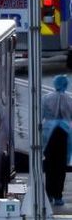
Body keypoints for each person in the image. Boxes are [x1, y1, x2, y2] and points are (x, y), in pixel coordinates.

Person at [41, 74, 72, 206]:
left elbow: (40, 115)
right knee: (61, 166)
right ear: (65, 84)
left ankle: (49, 194)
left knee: (49, 165)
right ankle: (58, 195)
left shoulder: (46, 98)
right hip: (64, 133)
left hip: (49, 134)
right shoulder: (69, 99)